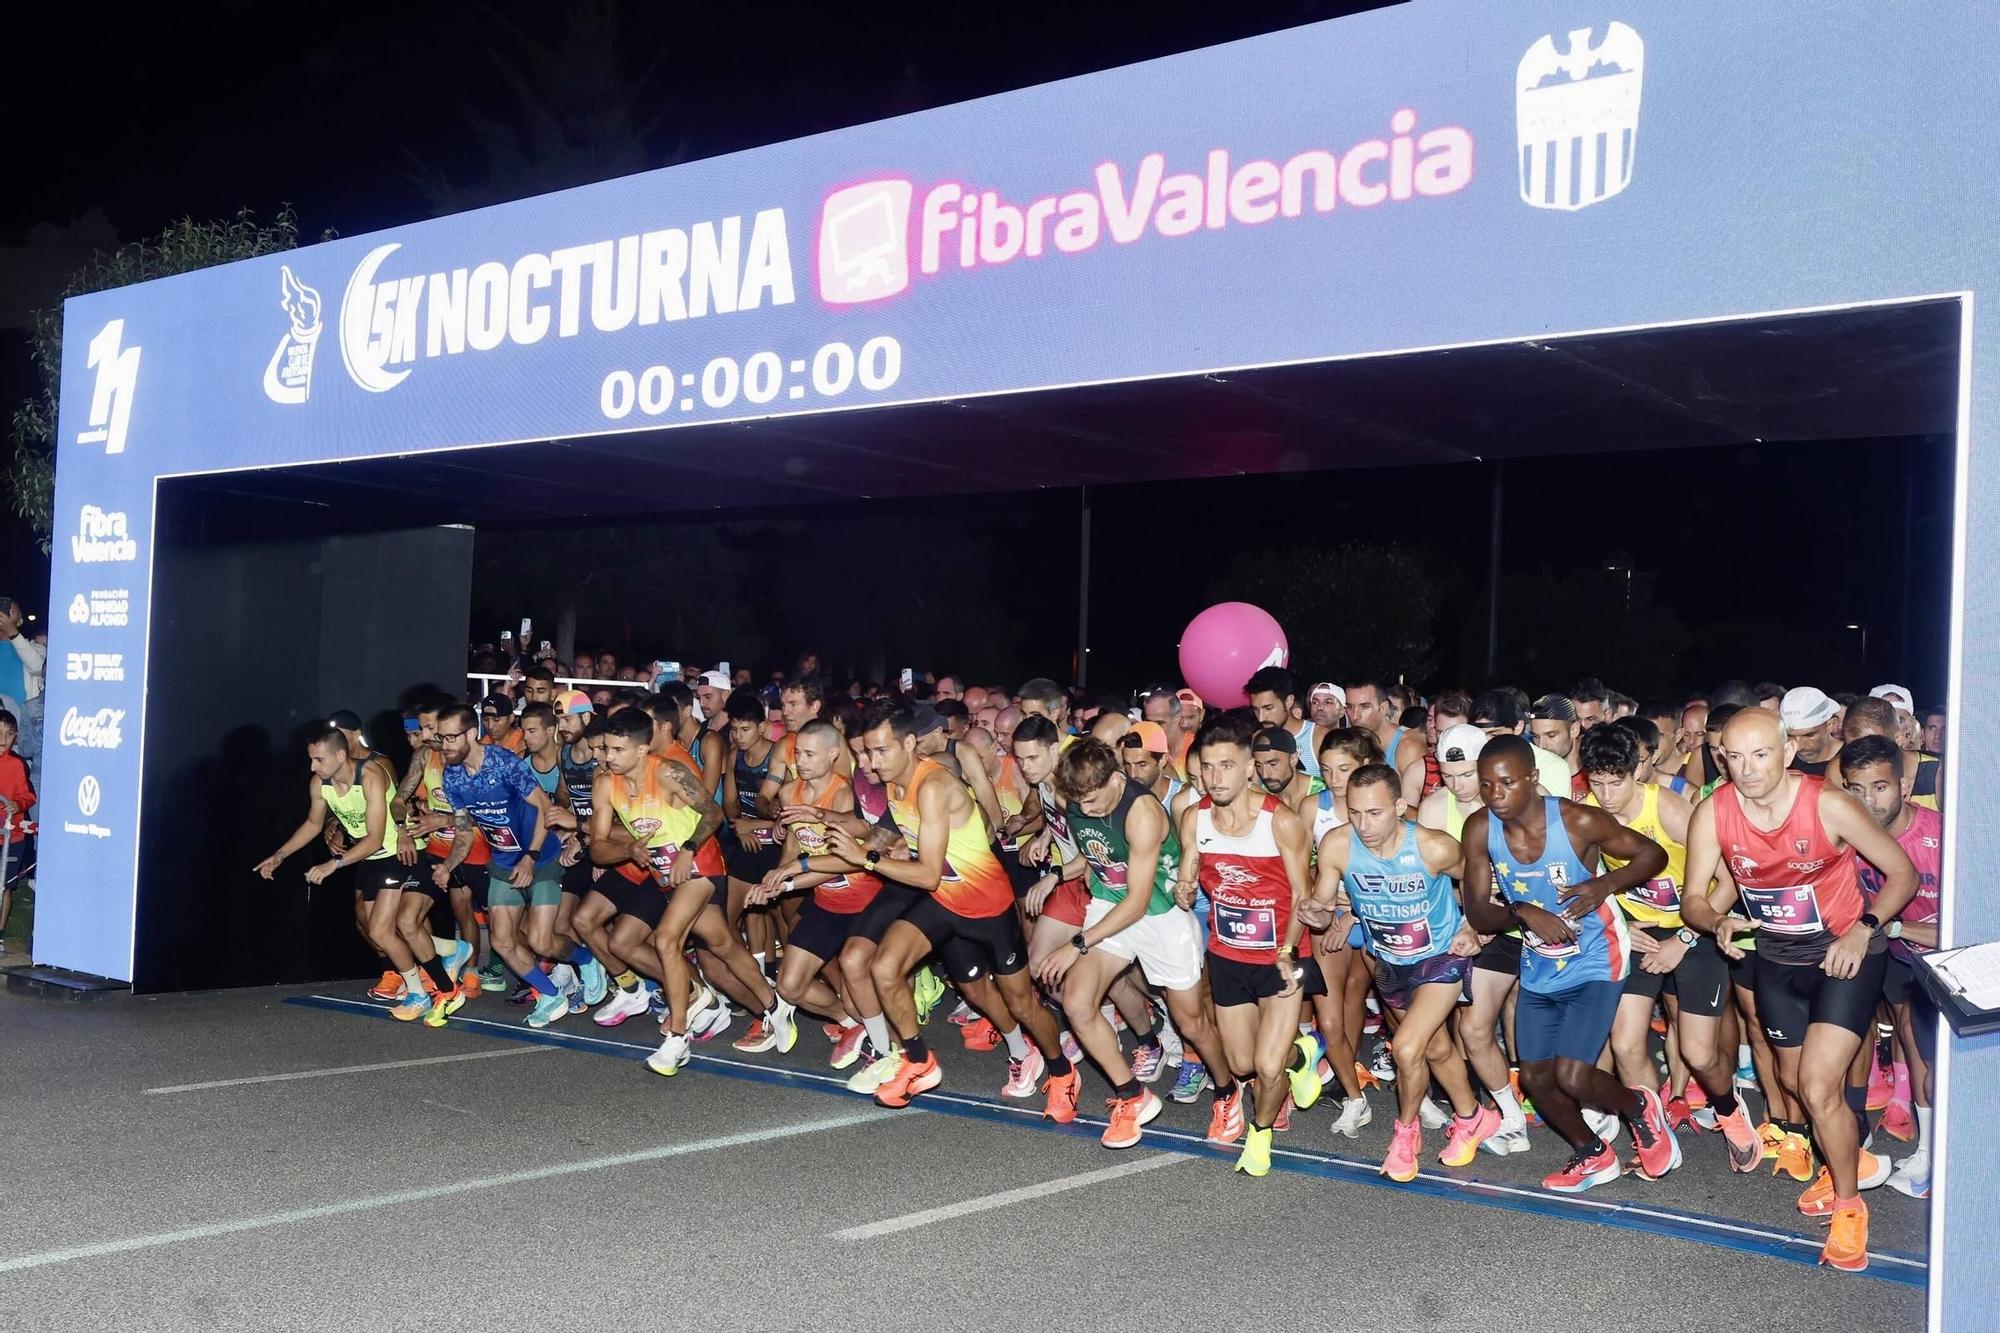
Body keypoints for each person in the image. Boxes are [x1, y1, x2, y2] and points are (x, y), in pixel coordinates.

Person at [1681, 708, 1916, 1273]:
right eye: (1733, 757)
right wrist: (1716, 921)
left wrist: (1866, 929)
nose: (1746, 769)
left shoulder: (1828, 804)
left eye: (1760, 754)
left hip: (1845, 955)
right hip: (1777, 959)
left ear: (1787, 752)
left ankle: (1849, 1206)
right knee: (1792, 1081)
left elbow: (1902, 873)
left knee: (1816, 1084)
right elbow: (1694, 898)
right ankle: (1848, 1159)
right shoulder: (1713, 812)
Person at [829, 700, 1079, 1114]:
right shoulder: (894, 785)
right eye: (867, 752)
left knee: (1022, 1004)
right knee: (884, 967)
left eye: (881, 750)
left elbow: (926, 873)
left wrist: (865, 860)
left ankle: (1061, 1071)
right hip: (945, 901)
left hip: (988, 905)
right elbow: (912, 858)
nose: (871, 762)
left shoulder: (932, 786)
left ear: (910, 743)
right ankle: (918, 1061)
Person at [1458, 735, 1680, 1195]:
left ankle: (1640, 1109)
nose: (1496, 796)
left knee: (1573, 1074)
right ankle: (1594, 1154)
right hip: (1541, 960)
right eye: (1486, 786)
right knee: (1537, 1080)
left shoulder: (1577, 820)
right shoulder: (1480, 828)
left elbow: (1652, 855)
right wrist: (1521, 910)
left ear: (1533, 779)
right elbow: (1480, 914)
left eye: (1507, 783)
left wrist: (1605, 886)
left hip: (1599, 954)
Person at [1579, 725, 1763, 1173]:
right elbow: (1584, 887)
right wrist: (1620, 924)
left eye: (1615, 781)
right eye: (1596, 782)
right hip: (1638, 935)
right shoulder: (1584, 813)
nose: (1606, 794)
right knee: (1625, 1043)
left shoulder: (1667, 808)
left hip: (1693, 933)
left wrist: (1682, 939)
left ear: (1636, 771)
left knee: (1700, 1054)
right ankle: (1654, 1134)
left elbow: (1729, 882)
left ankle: (1728, 1108)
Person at [1305, 763, 1497, 1178]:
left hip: (1440, 958)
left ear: (1399, 806)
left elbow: (1483, 882)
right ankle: (1471, 1117)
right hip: (1389, 961)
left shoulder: (1434, 847)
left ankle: (1405, 1137)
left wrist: (1471, 926)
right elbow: (1321, 910)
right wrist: (1314, 912)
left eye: (1374, 813)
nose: (1363, 823)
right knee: (1435, 1048)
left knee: (1407, 1048)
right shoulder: (1338, 846)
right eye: (1354, 812)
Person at [1037, 739, 1230, 1148]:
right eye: (1079, 803)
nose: (1084, 810)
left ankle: (1228, 1091)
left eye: (1091, 800)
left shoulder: (1142, 812)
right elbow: (1096, 854)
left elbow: (1139, 901)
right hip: (1110, 905)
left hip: (1159, 914)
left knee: (1192, 1022)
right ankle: (1133, 1096)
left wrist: (1077, 943)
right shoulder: (1075, 799)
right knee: (1076, 1002)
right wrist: (1060, 873)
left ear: (1115, 779)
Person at [1174, 711, 1316, 1178]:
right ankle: (1305, 1053)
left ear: (1250, 768)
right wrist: (1184, 887)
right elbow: (1189, 873)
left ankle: (1260, 1137)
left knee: (1266, 1064)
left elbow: (1302, 894)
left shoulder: (1282, 821)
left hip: (1281, 957)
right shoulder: (1195, 818)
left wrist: (1288, 948)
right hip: (1229, 955)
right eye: (1208, 767)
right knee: (1240, 1063)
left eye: (1227, 766)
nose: (1217, 778)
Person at [256, 729, 453, 1016]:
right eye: (311, 760)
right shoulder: (319, 783)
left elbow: (374, 838)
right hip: (371, 859)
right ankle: (447, 954)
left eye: (319, 760)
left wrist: (332, 864)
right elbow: (313, 824)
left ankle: (431, 992)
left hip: (397, 853)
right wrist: (279, 856)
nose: (313, 767)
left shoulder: (370, 775)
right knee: (379, 930)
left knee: (382, 930)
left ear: (340, 755)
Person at [1417, 723, 1531, 1155]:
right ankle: (1509, 1115)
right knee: (1474, 1026)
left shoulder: (1513, 804)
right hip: (1482, 927)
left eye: (1467, 775)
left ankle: (1593, 1109)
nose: (1459, 786)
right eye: (1449, 777)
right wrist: (1466, 925)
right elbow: (1431, 882)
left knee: (1540, 1026)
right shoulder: (1433, 810)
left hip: (1535, 924)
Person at [1839, 734, 1941, 1199]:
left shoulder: (1942, 836)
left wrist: (1893, 929)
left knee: (1934, 1057)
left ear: (1903, 786)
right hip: (1898, 961)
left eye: (1878, 787)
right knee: (1909, 1044)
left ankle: (1940, 1153)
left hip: (1945, 960)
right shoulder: (1847, 837)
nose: (1867, 800)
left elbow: (1967, 929)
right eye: (1855, 789)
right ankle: (1926, 1149)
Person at [431, 702, 573, 1028]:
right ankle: (551, 995)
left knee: (540, 941)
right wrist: (449, 865)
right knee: (502, 941)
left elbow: (543, 807)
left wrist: (531, 856)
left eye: (452, 738)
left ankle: (584, 959)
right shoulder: (451, 777)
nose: (445, 745)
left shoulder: (503, 762)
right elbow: (464, 831)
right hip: (504, 862)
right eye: (441, 738)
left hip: (543, 856)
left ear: (471, 733)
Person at [749, 718, 879, 1053]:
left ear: (833, 754)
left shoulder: (843, 794)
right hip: (825, 902)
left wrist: (788, 882)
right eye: (798, 754)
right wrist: (773, 878)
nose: (800, 761)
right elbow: (794, 843)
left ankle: (881, 1043)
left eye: (809, 754)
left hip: (862, 903)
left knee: (858, 996)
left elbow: (843, 862)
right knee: (789, 987)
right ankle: (850, 1025)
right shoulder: (789, 791)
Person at [1470, 689, 1571, 799]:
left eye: (1494, 735)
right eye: (1478, 736)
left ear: (1518, 727)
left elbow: (1552, 813)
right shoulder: (1467, 764)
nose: (1485, 743)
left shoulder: (1552, 767)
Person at [0, 710, 36, 950]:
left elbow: (28, 796)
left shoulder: (16, 765)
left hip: (12, 838)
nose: (3, 738)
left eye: (8, 734)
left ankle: (0, 933)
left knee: (4, 886)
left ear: (16, 737)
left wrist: (18, 803)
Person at [1246, 667, 1319, 780]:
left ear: (1289, 701)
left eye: (1268, 708)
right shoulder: (1257, 739)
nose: (1261, 718)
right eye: (1256, 709)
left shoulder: (1317, 737)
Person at [0, 597, 46, 772]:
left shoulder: (36, 648)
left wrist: (11, 631)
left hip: (19, 736)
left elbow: (37, 667)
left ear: (20, 620)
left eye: (11, 610)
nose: (5, 612)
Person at [1528, 695, 1586, 798]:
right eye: (1536, 737)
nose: (1541, 745)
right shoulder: (1532, 776)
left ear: (1574, 730)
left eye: (1551, 735)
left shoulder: (1596, 775)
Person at [1780, 686, 1843, 778]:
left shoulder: (1853, 762)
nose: (1798, 747)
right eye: (1790, 735)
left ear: (1831, 725)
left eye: (1808, 735)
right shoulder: (1778, 759)